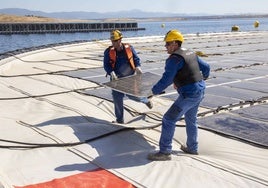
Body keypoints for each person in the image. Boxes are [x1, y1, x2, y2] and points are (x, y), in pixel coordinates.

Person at [147, 30, 210, 161]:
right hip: (200, 91)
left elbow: (166, 80)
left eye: (168, 43)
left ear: (175, 43)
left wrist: (153, 91)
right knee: (191, 119)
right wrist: (201, 78)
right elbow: (206, 67)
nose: (166, 47)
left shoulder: (174, 59)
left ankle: (165, 152)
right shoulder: (190, 53)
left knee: (168, 119)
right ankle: (192, 148)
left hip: (189, 95)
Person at [103, 30, 153, 124]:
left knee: (134, 97)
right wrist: (111, 72)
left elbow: (136, 59)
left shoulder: (129, 48)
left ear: (120, 40)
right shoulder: (108, 51)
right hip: (116, 80)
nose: (113, 43)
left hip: (129, 78)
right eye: (112, 41)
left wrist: (138, 67)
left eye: (115, 41)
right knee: (117, 99)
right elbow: (106, 65)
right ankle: (120, 120)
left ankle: (146, 100)